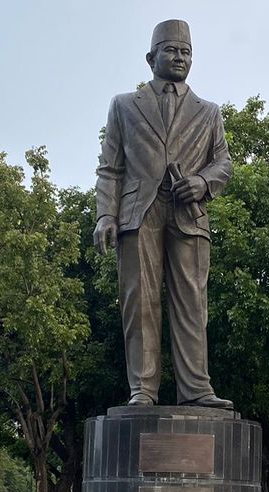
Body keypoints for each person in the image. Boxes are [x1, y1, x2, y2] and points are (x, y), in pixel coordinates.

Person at [93, 19, 234, 409]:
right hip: (139, 213)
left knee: (192, 301)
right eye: (171, 50)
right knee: (140, 302)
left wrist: (203, 183)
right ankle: (143, 389)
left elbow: (223, 163)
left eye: (186, 52)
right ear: (150, 57)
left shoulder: (208, 112)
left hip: (189, 214)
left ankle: (196, 389)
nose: (179, 58)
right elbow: (111, 168)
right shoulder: (124, 105)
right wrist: (106, 215)